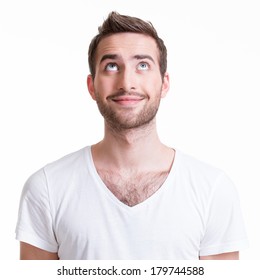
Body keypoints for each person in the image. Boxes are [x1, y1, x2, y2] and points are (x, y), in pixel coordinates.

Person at [15, 11, 248, 260]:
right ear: (92, 86)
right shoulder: (48, 188)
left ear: (164, 83)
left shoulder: (212, 189)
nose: (127, 82)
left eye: (143, 65)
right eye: (112, 66)